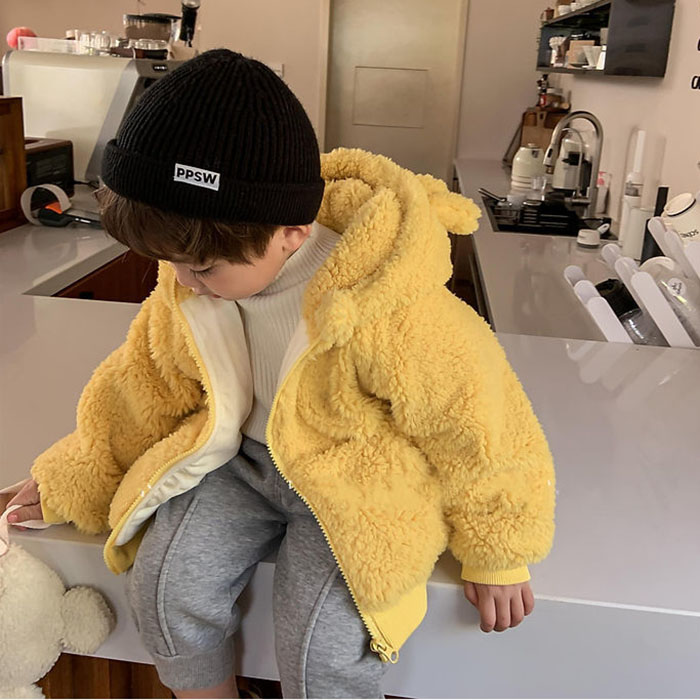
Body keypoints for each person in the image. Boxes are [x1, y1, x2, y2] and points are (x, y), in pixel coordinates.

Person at [1, 49, 555, 699]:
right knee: (164, 586)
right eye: (170, 263)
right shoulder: (192, 280)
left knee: (323, 642)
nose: (182, 282)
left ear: (291, 232)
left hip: (355, 479)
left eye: (201, 268)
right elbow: (140, 386)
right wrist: (75, 475)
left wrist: (498, 545)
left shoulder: (387, 304)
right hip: (242, 464)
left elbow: (477, 417)